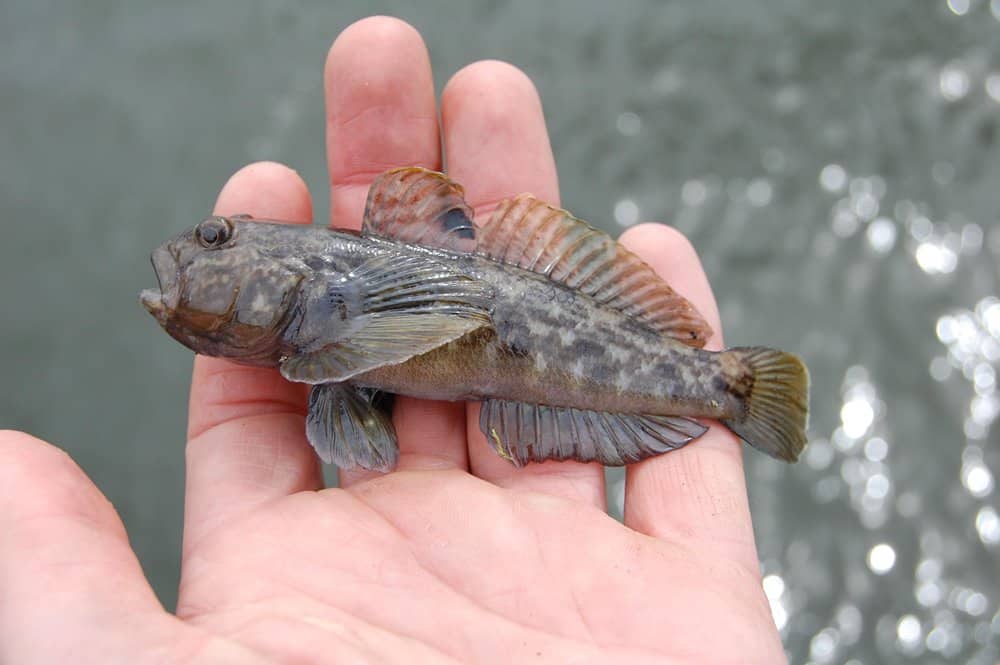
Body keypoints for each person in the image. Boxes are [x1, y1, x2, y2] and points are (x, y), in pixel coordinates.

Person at [0, 16, 785, 664]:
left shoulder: (326, 317)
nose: (189, 255)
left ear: (278, 265)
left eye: (216, 239)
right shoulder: (313, 337)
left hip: (541, 354)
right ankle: (723, 383)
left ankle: (729, 385)